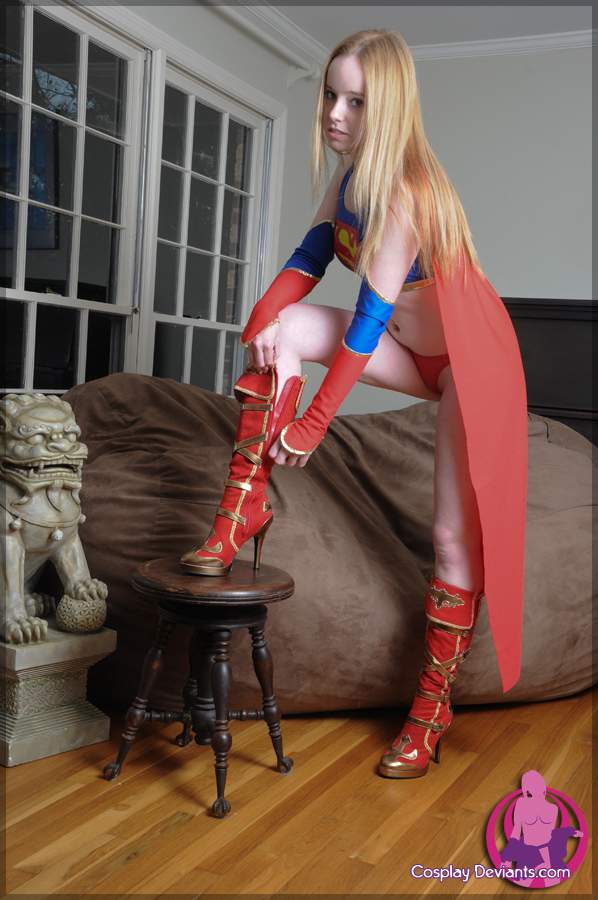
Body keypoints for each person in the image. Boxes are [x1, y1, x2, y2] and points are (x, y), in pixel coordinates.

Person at [180, 29, 528, 780]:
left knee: (452, 536)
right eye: (331, 95)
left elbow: (367, 324)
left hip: (470, 361)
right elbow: (306, 263)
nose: (335, 113)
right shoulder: (348, 178)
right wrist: (258, 330)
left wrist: (313, 423)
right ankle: (242, 506)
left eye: (357, 101)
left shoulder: (404, 190)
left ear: (389, 106)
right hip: (408, 346)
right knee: (287, 328)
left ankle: (430, 715)